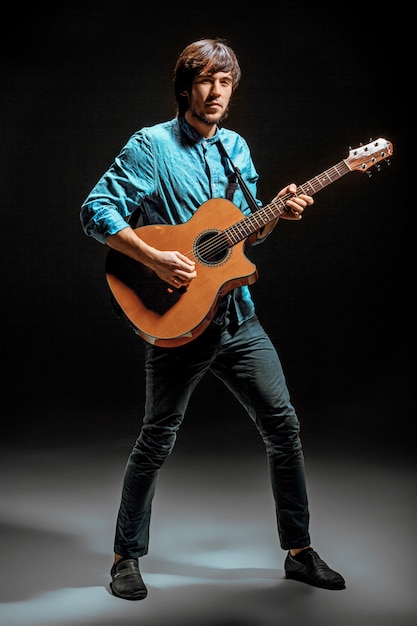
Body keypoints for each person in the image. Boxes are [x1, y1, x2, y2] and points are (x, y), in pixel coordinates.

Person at [80, 37, 346, 601]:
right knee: (156, 439)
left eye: (225, 82)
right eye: (206, 80)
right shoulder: (150, 146)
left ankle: (299, 552)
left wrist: (278, 214)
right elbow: (95, 210)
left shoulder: (236, 149)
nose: (216, 92)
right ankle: (125, 558)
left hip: (237, 318)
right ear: (185, 87)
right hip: (177, 318)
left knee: (284, 428)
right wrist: (154, 257)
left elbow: (242, 235)